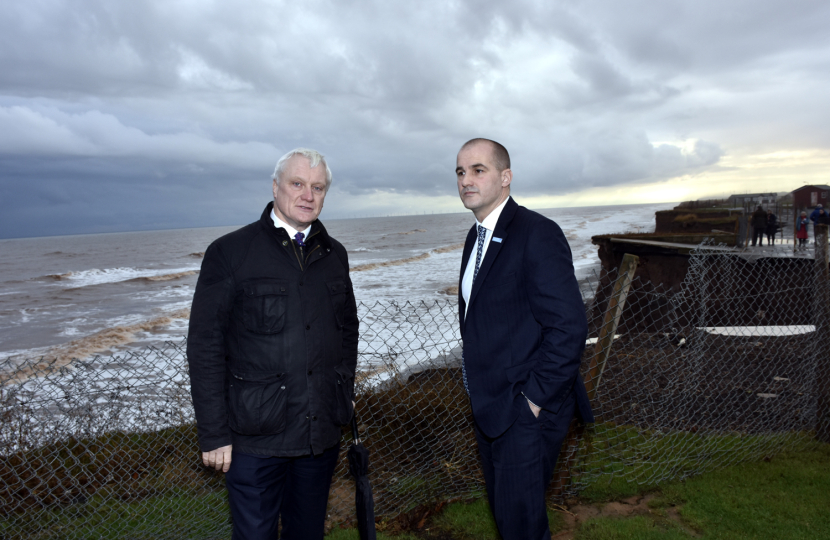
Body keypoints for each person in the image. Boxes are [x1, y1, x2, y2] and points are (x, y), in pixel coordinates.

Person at [186, 148, 359, 539]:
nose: (307, 195)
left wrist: (341, 391)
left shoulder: (334, 255)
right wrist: (214, 434)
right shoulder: (230, 253)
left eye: (317, 187)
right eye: (297, 184)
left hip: (319, 436)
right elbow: (205, 345)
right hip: (254, 441)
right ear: (276, 187)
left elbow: (347, 329)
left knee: (307, 532)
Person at [455, 138, 593, 540]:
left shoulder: (537, 233)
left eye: (478, 170)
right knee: (509, 520)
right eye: (461, 172)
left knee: (522, 528)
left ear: (505, 177)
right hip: (489, 407)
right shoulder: (474, 237)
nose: (467, 180)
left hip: (525, 411)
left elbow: (569, 327)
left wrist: (532, 402)